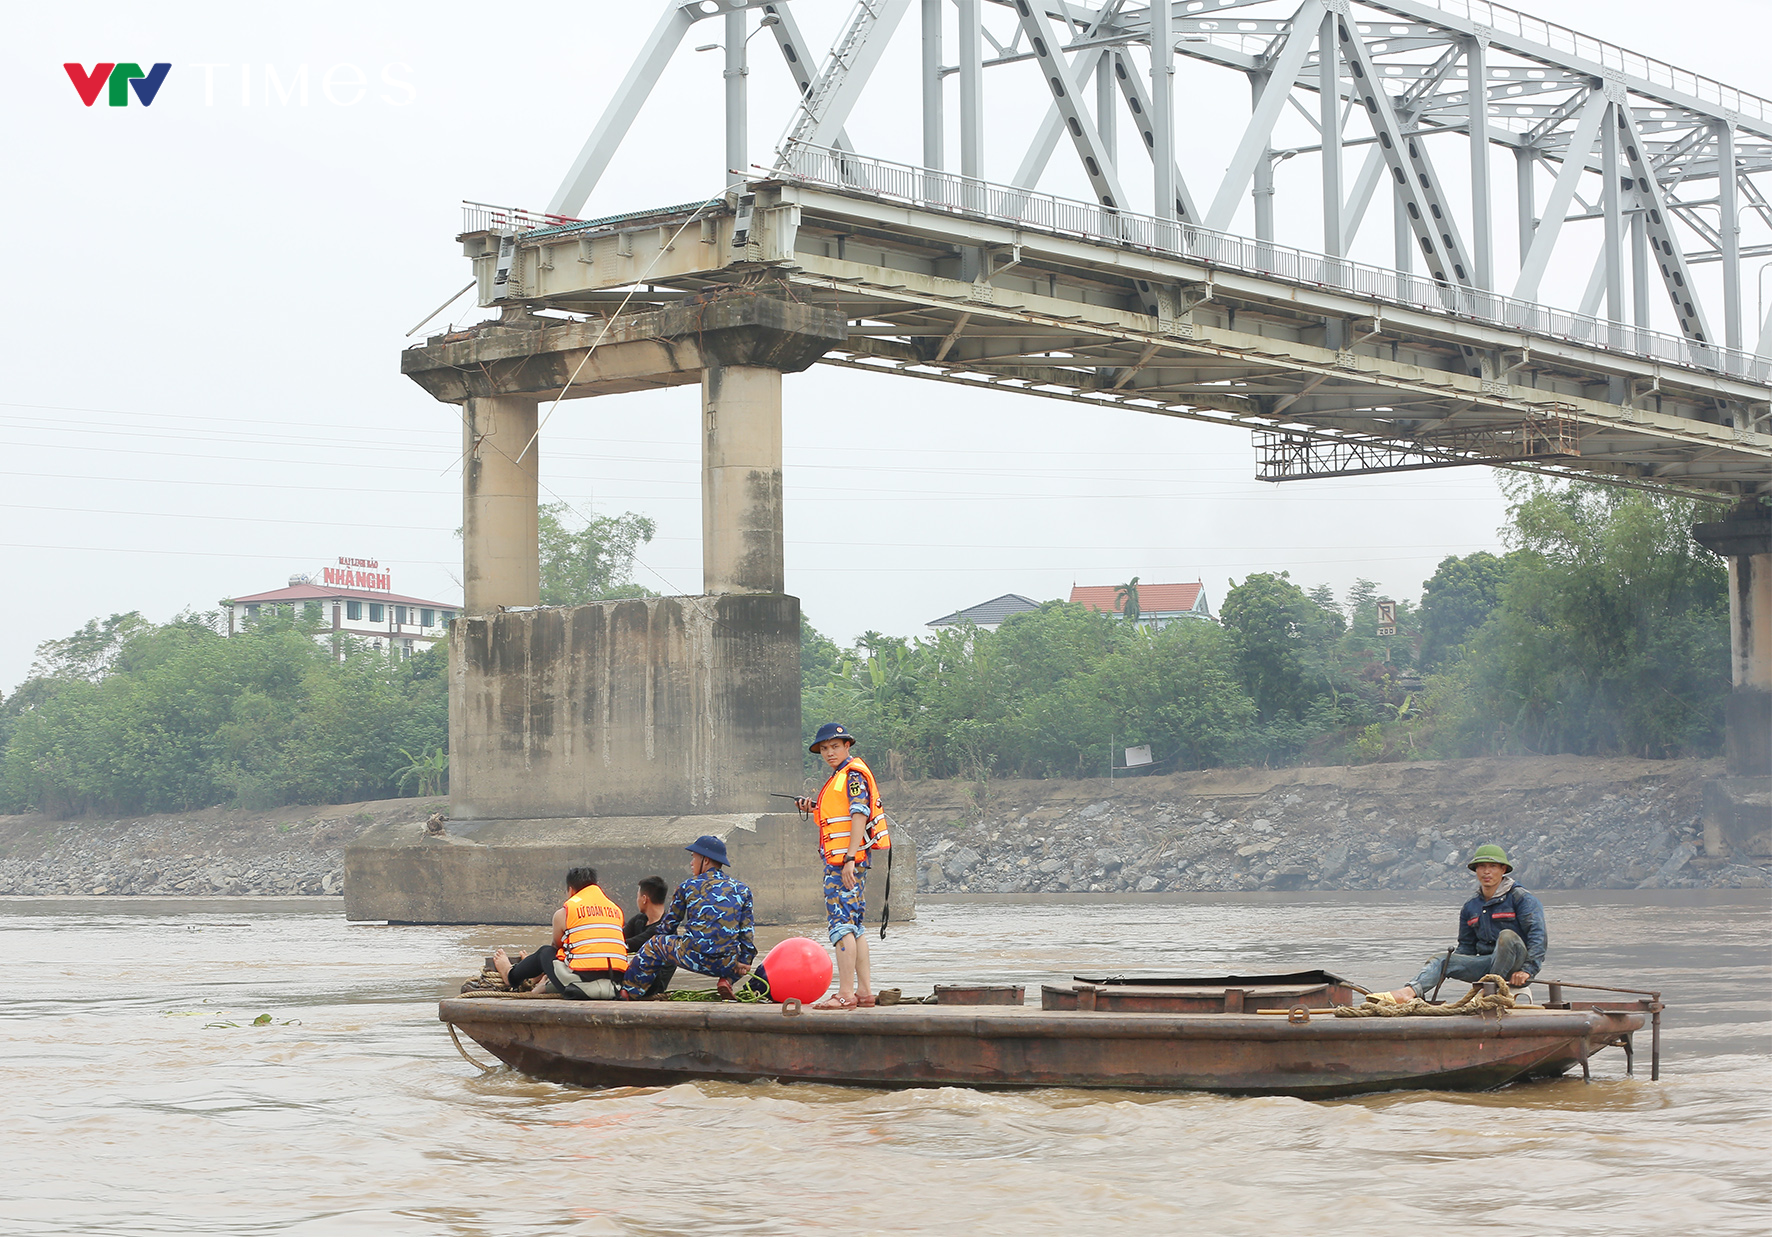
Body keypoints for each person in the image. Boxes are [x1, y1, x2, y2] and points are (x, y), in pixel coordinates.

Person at [794, 722, 891, 1010]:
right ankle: (863, 992)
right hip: (850, 861)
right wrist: (813, 807)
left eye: (834, 746)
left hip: (845, 863)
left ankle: (846, 993)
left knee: (841, 924)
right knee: (855, 926)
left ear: (847, 746)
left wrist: (849, 859)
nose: (829, 752)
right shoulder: (843, 777)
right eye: (824, 749)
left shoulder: (851, 775)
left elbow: (859, 814)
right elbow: (841, 813)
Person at [1379, 844, 1548, 1003]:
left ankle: (1487, 993)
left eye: (1493, 866)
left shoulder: (1521, 898)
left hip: (1515, 965)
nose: (1486, 872)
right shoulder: (1470, 906)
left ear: (1503, 869)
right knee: (1442, 960)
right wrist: (1451, 966)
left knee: (1507, 937)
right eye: (1481, 866)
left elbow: (1537, 936)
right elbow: (1466, 947)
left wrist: (1527, 970)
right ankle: (1408, 993)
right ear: (1475, 870)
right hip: (1486, 963)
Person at [620, 836, 756, 999]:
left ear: (705, 860)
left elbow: (667, 927)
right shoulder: (743, 890)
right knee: (747, 952)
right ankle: (727, 981)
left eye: (693, 858)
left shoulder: (687, 886)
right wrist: (745, 960)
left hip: (693, 957)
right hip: (726, 964)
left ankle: (629, 993)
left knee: (655, 944)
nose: (691, 863)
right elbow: (747, 934)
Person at [492, 866, 627, 999]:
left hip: (581, 988)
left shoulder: (565, 913)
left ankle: (510, 975)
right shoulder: (616, 911)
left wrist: (533, 967)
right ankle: (539, 981)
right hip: (615, 986)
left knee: (545, 953)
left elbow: (556, 947)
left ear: (571, 890)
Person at [624, 875, 676, 997]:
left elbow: (629, 944)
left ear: (644, 899)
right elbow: (620, 937)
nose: (637, 900)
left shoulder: (666, 928)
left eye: (637, 897)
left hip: (654, 986)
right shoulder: (639, 920)